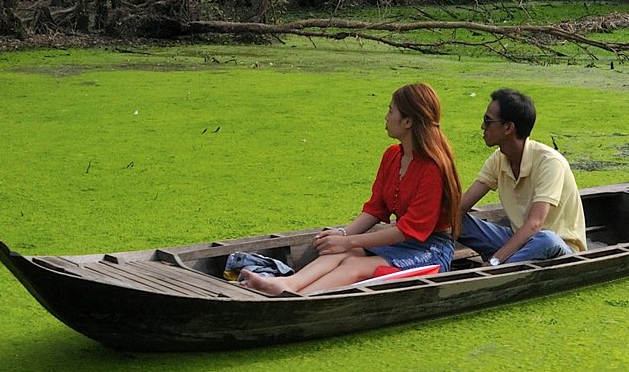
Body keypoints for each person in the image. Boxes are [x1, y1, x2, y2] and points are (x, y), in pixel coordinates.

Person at [238, 83, 460, 296]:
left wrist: (348, 241)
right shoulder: (393, 155)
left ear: (408, 121)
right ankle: (287, 284)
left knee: (353, 264)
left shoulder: (432, 168)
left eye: (390, 111)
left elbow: (408, 230)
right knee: (340, 252)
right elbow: (376, 208)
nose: (386, 117)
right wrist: (343, 235)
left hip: (430, 251)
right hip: (400, 244)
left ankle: (297, 298)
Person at [454, 88, 588, 266]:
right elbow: (461, 207)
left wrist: (495, 261)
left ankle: (499, 267)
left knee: (547, 239)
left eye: (488, 121)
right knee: (456, 219)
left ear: (508, 127)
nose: (482, 127)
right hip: (519, 241)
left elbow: (535, 224)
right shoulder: (498, 158)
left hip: (559, 247)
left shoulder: (550, 162)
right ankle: (507, 262)